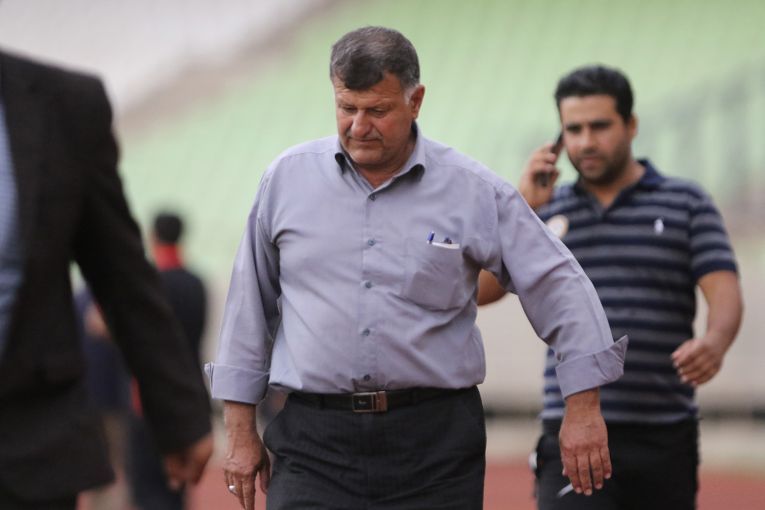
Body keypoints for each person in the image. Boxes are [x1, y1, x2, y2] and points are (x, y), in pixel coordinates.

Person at [206, 27, 627, 510]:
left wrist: (583, 406)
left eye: (377, 110)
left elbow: (559, 284)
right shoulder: (285, 180)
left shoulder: (471, 190)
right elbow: (248, 309)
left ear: (416, 101)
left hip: (434, 447)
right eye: (346, 107)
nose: (359, 126)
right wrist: (239, 431)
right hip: (313, 444)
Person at [478, 65, 743, 510]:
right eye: (573, 129)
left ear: (631, 125)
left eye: (599, 126)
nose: (585, 142)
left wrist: (715, 342)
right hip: (571, 423)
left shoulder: (686, 202)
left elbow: (724, 290)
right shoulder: (544, 210)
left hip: (664, 428)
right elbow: (482, 292)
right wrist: (522, 209)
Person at [0, 49, 213, 509]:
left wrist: (177, 409)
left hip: (26, 449)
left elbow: (119, 271)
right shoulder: (196, 281)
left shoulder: (63, 104)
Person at [126, 212, 208, 510]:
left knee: (148, 487)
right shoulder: (196, 283)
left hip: (149, 398)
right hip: (188, 394)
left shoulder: (147, 280)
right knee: (177, 487)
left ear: (153, 236)